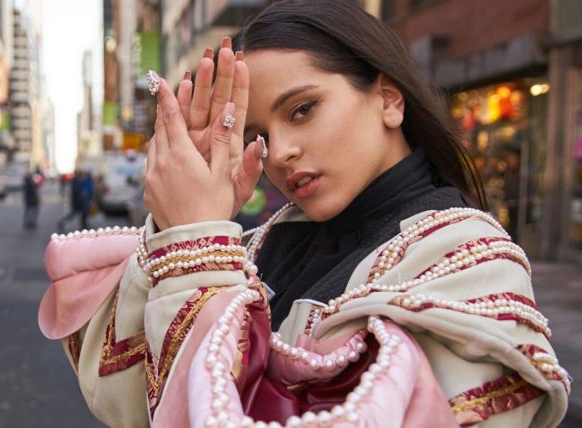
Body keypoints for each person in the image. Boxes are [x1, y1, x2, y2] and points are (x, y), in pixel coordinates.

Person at [38, 1, 569, 426]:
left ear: (388, 99)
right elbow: (130, 404)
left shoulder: (470, 262)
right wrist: (185, 231)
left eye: (303, 109)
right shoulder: (260, 243)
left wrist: (196, 252)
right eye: (258, 136)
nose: (282, 150)